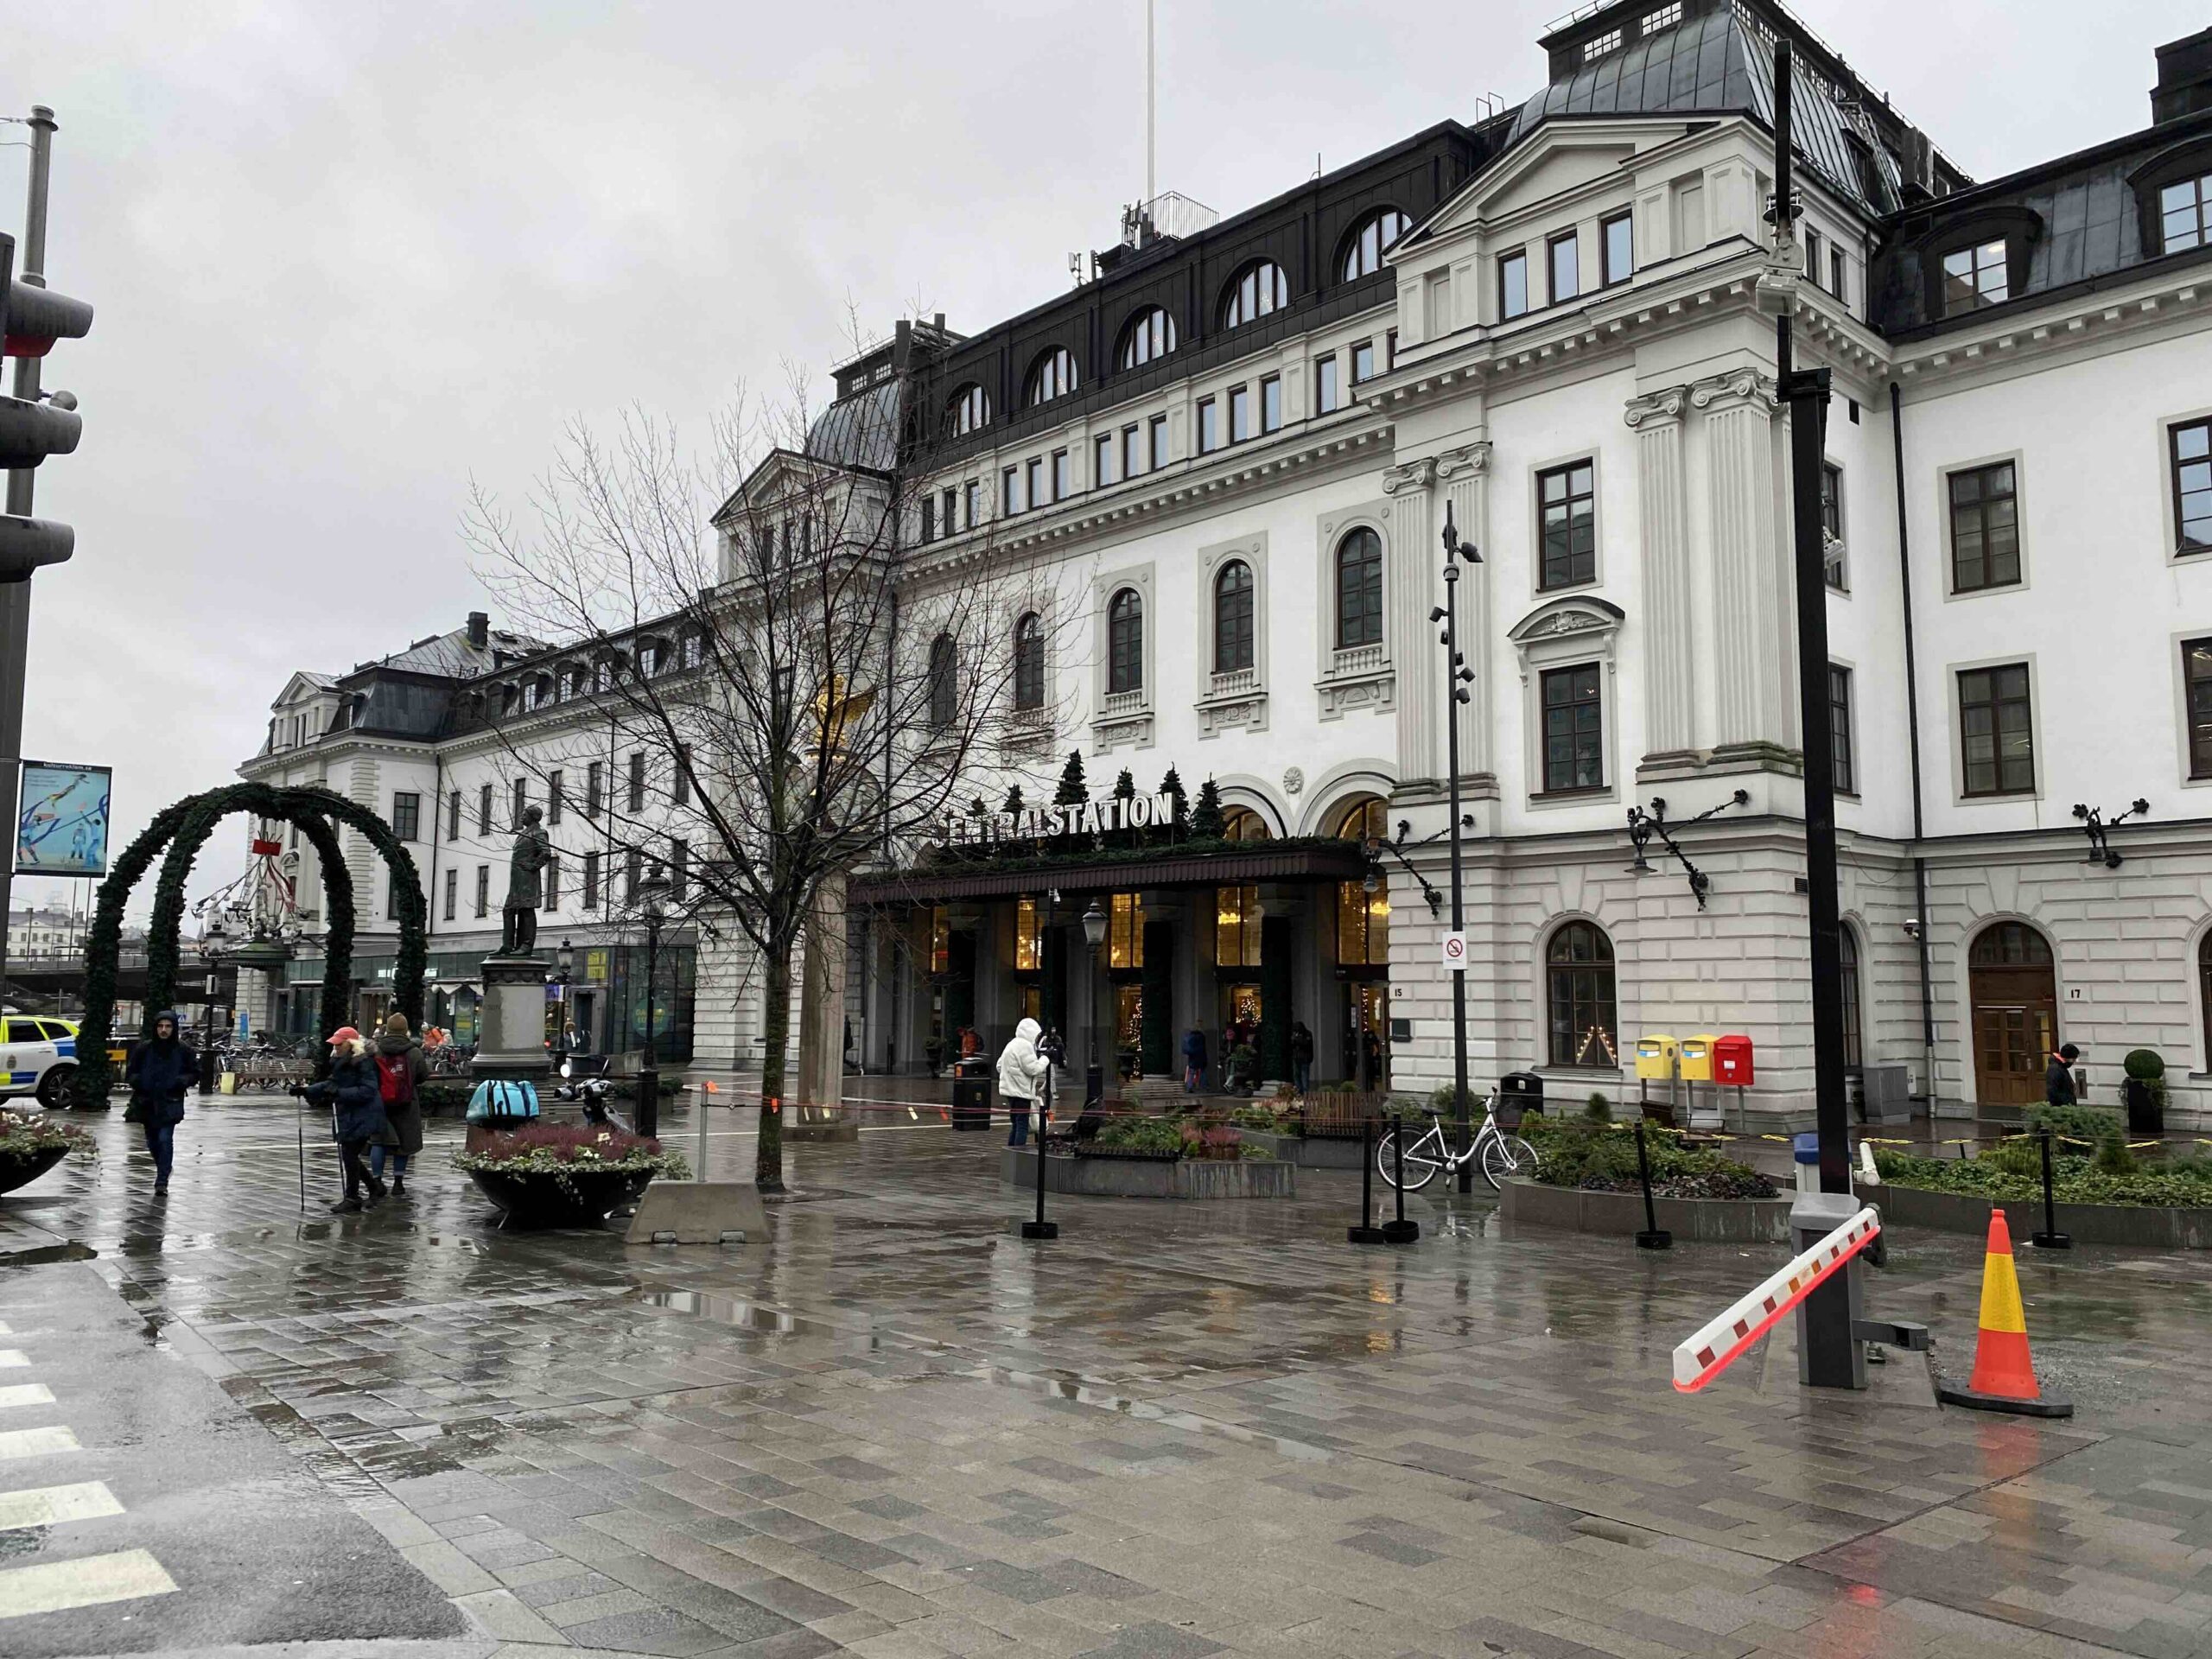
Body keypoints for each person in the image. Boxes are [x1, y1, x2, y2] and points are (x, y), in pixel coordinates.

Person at [306, 1027, 390, 1212]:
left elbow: (368, 1090)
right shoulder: (342, 1061)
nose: (335, 1047)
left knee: (349, 1155)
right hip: (351, 1115)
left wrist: (340, 1092)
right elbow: (332, 1082)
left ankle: (353, 1197)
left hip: (364, 1114)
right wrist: (308, 1091)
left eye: (339, 1043)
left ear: (350, 1043)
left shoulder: (363, 1062)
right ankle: (372, 1188)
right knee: (349, 1155)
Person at [123, 1009, 194, 1197]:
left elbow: (195, 1072)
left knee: (165, 1138)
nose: (164, 1030)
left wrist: (181, 1081)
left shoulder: (183, 1050)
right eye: (161, 1026)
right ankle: (164, 1166)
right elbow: (131, 1071)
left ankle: (161, 1180)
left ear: (174, 1028)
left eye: (168, 1026)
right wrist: (139, 1082)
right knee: (152, 1141)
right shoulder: (144, 1049)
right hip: (147, 1100)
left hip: (171, 1100)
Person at [370, 1013, 429, 1198]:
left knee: (378, 1141)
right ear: (405, 1030)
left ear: (387, 1029)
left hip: (380, 1103)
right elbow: (422, 1076)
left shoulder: (376, 1050)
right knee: (404, 1142)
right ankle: (398, 1183)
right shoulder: (414, 1052)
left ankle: (377, 1181)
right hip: (406, 1103)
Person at [997, 1016, 1050, 1147]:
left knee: (1016, 1123)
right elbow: (1033, 1069)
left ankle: (1010, 1153)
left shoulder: (1012, 1044)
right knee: (1022, 1125)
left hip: (1010, 1092)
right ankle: (1019, 1153)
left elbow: (1000, 1065)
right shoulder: (1025, 1046)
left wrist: (1013, 1074)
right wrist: (1045, 1059)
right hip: (1021, 1092)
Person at [2046, 1042, 2082, 1107]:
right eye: (2073, 1059)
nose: (2074, 1062)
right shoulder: (2055, 1069)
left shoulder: (2061, 1067)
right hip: (2063, 1107)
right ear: (2067, 1057)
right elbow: (2052, 1091)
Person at [1289, 1020, 1315, 1096]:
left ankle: (1305, 1092)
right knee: (1296, 1075)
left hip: (1305, 1059)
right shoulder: (1295, 1035)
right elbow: (1292, 1046)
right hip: (1296, 1058)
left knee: (1304, 1076)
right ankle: (1298, 1091)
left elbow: (1305, 1044)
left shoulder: (1307, 1034)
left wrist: (1297, 1039)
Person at [1182, 1027, 1208, 1094]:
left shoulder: (1190, 1036)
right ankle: (1203, 1086)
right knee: (1203, 1071)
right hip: (1201, 1056)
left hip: (1192, 1057)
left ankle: (1189, 1087)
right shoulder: (1202, 1036)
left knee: (1191, 1072)